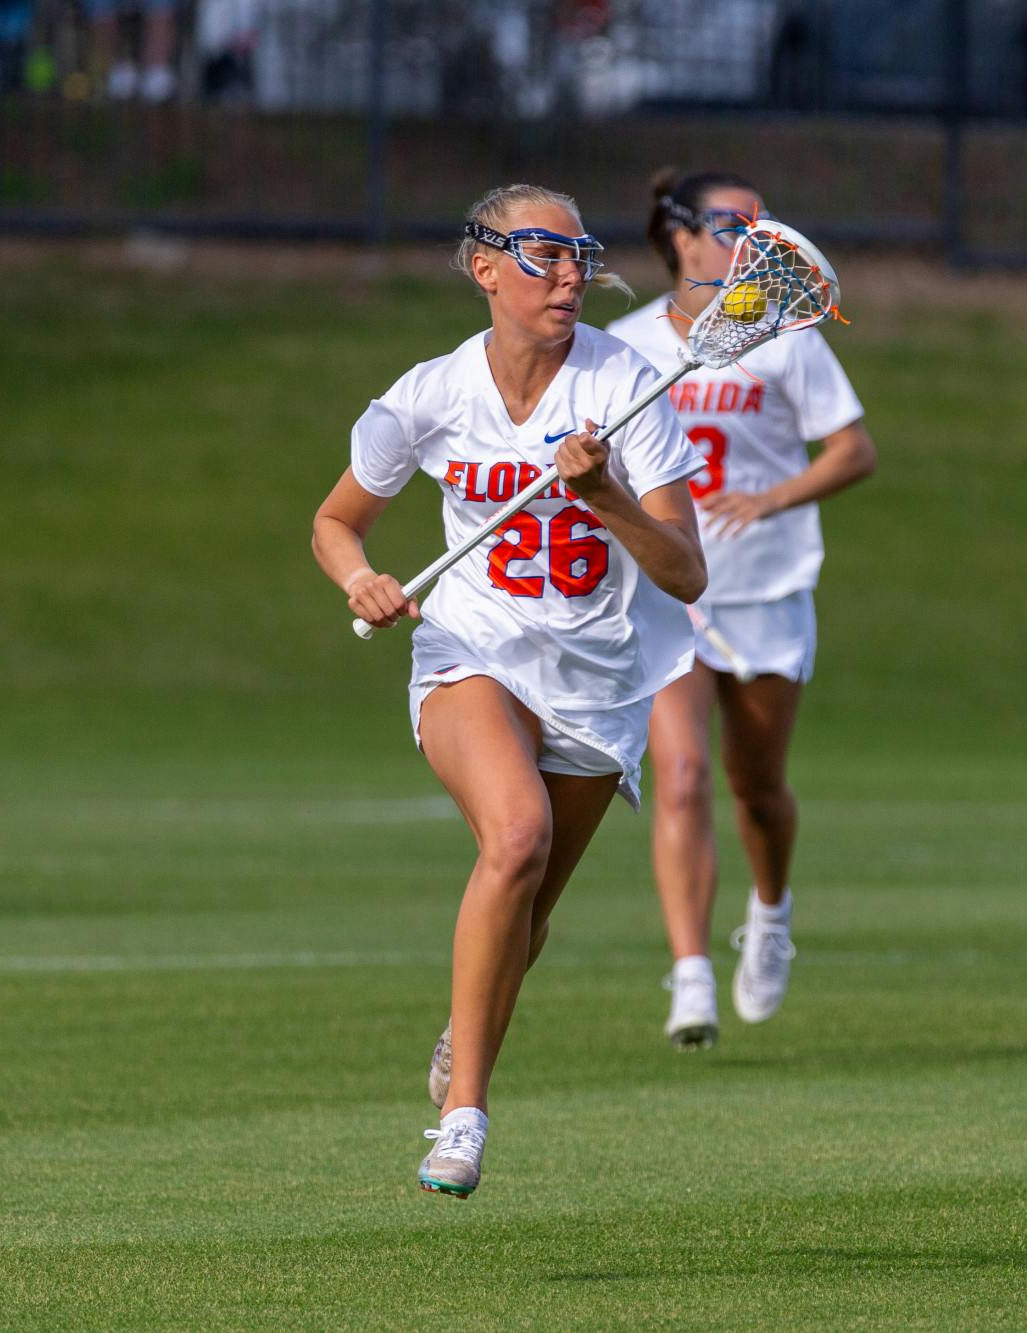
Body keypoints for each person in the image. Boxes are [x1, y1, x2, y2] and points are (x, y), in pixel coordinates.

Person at [311, 183, 706, 1198]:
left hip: (598, 675)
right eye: (542, 254)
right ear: (483, 266)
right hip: (471, 648)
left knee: (527, 905)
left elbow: (685, 573)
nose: (569, 274)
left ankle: (464, 1025)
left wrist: (607, 494)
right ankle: (464, 1117)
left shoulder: (627, 388)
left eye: (581, 255)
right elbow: (336, 520)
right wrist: (359, 575)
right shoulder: (432, 393)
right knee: (516, 835)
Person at [606, 170, 875, 1051]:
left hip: (765, 589)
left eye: (761, 224)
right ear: (680, 237)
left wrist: (775, 497)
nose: (751, 239)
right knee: (679, 778)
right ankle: (690, 977)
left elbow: (853, 449)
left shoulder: (785, 337)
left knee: (756, 788)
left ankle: (770, 911)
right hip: (668, 592)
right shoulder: (622, 344)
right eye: (731, 224)